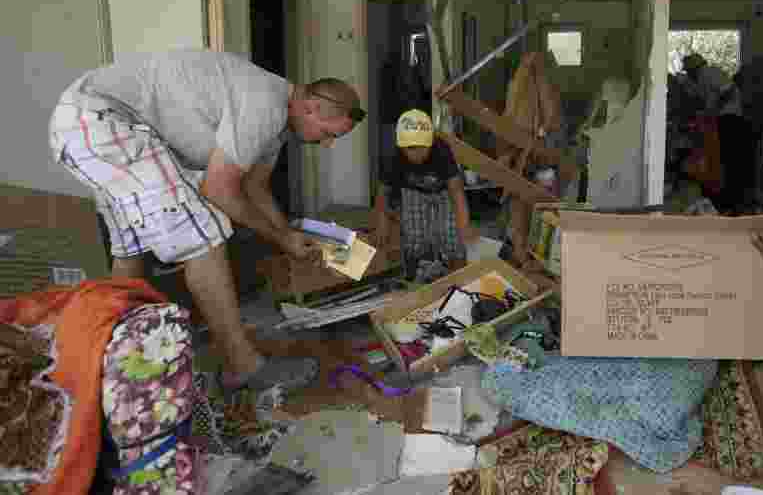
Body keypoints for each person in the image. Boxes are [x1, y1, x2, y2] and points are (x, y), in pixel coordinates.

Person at [49, 49, 365, 393]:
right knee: (206, 234)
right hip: (104, 120)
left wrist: (286, 235)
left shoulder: (276, 125)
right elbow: (218, 189)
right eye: (330, 132)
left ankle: (109, 358)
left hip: (84, 122)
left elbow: (254, 186)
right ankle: (244, 365)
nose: (329, 143)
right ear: (311, 108)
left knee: (132, 248)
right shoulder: (265, 104)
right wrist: (281, 238)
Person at [373, 109, 477, 282]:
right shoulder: (394, 157)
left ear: (431, 142)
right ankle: (414, 278)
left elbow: (456, 191)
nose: (416, 153)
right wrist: (381, 223)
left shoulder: (442, 150)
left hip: (444, 192)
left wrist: (464, 225)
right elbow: (383, 192)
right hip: (413, 192)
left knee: (452, 236)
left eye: (422, 147)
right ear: (401, 146)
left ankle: (460, 280)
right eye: (410, 149)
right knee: (414, 238)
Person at [682, 53, 752, 213]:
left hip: (730, 119)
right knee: (721, 161)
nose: (688, 74)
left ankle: (732, 203)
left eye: (688, 71)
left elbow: (728, 90)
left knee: (729, 161)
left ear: (695, 67)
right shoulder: (699, 80)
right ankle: (723, 200)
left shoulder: (710, 72)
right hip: (720, 120)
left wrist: (714, 108)